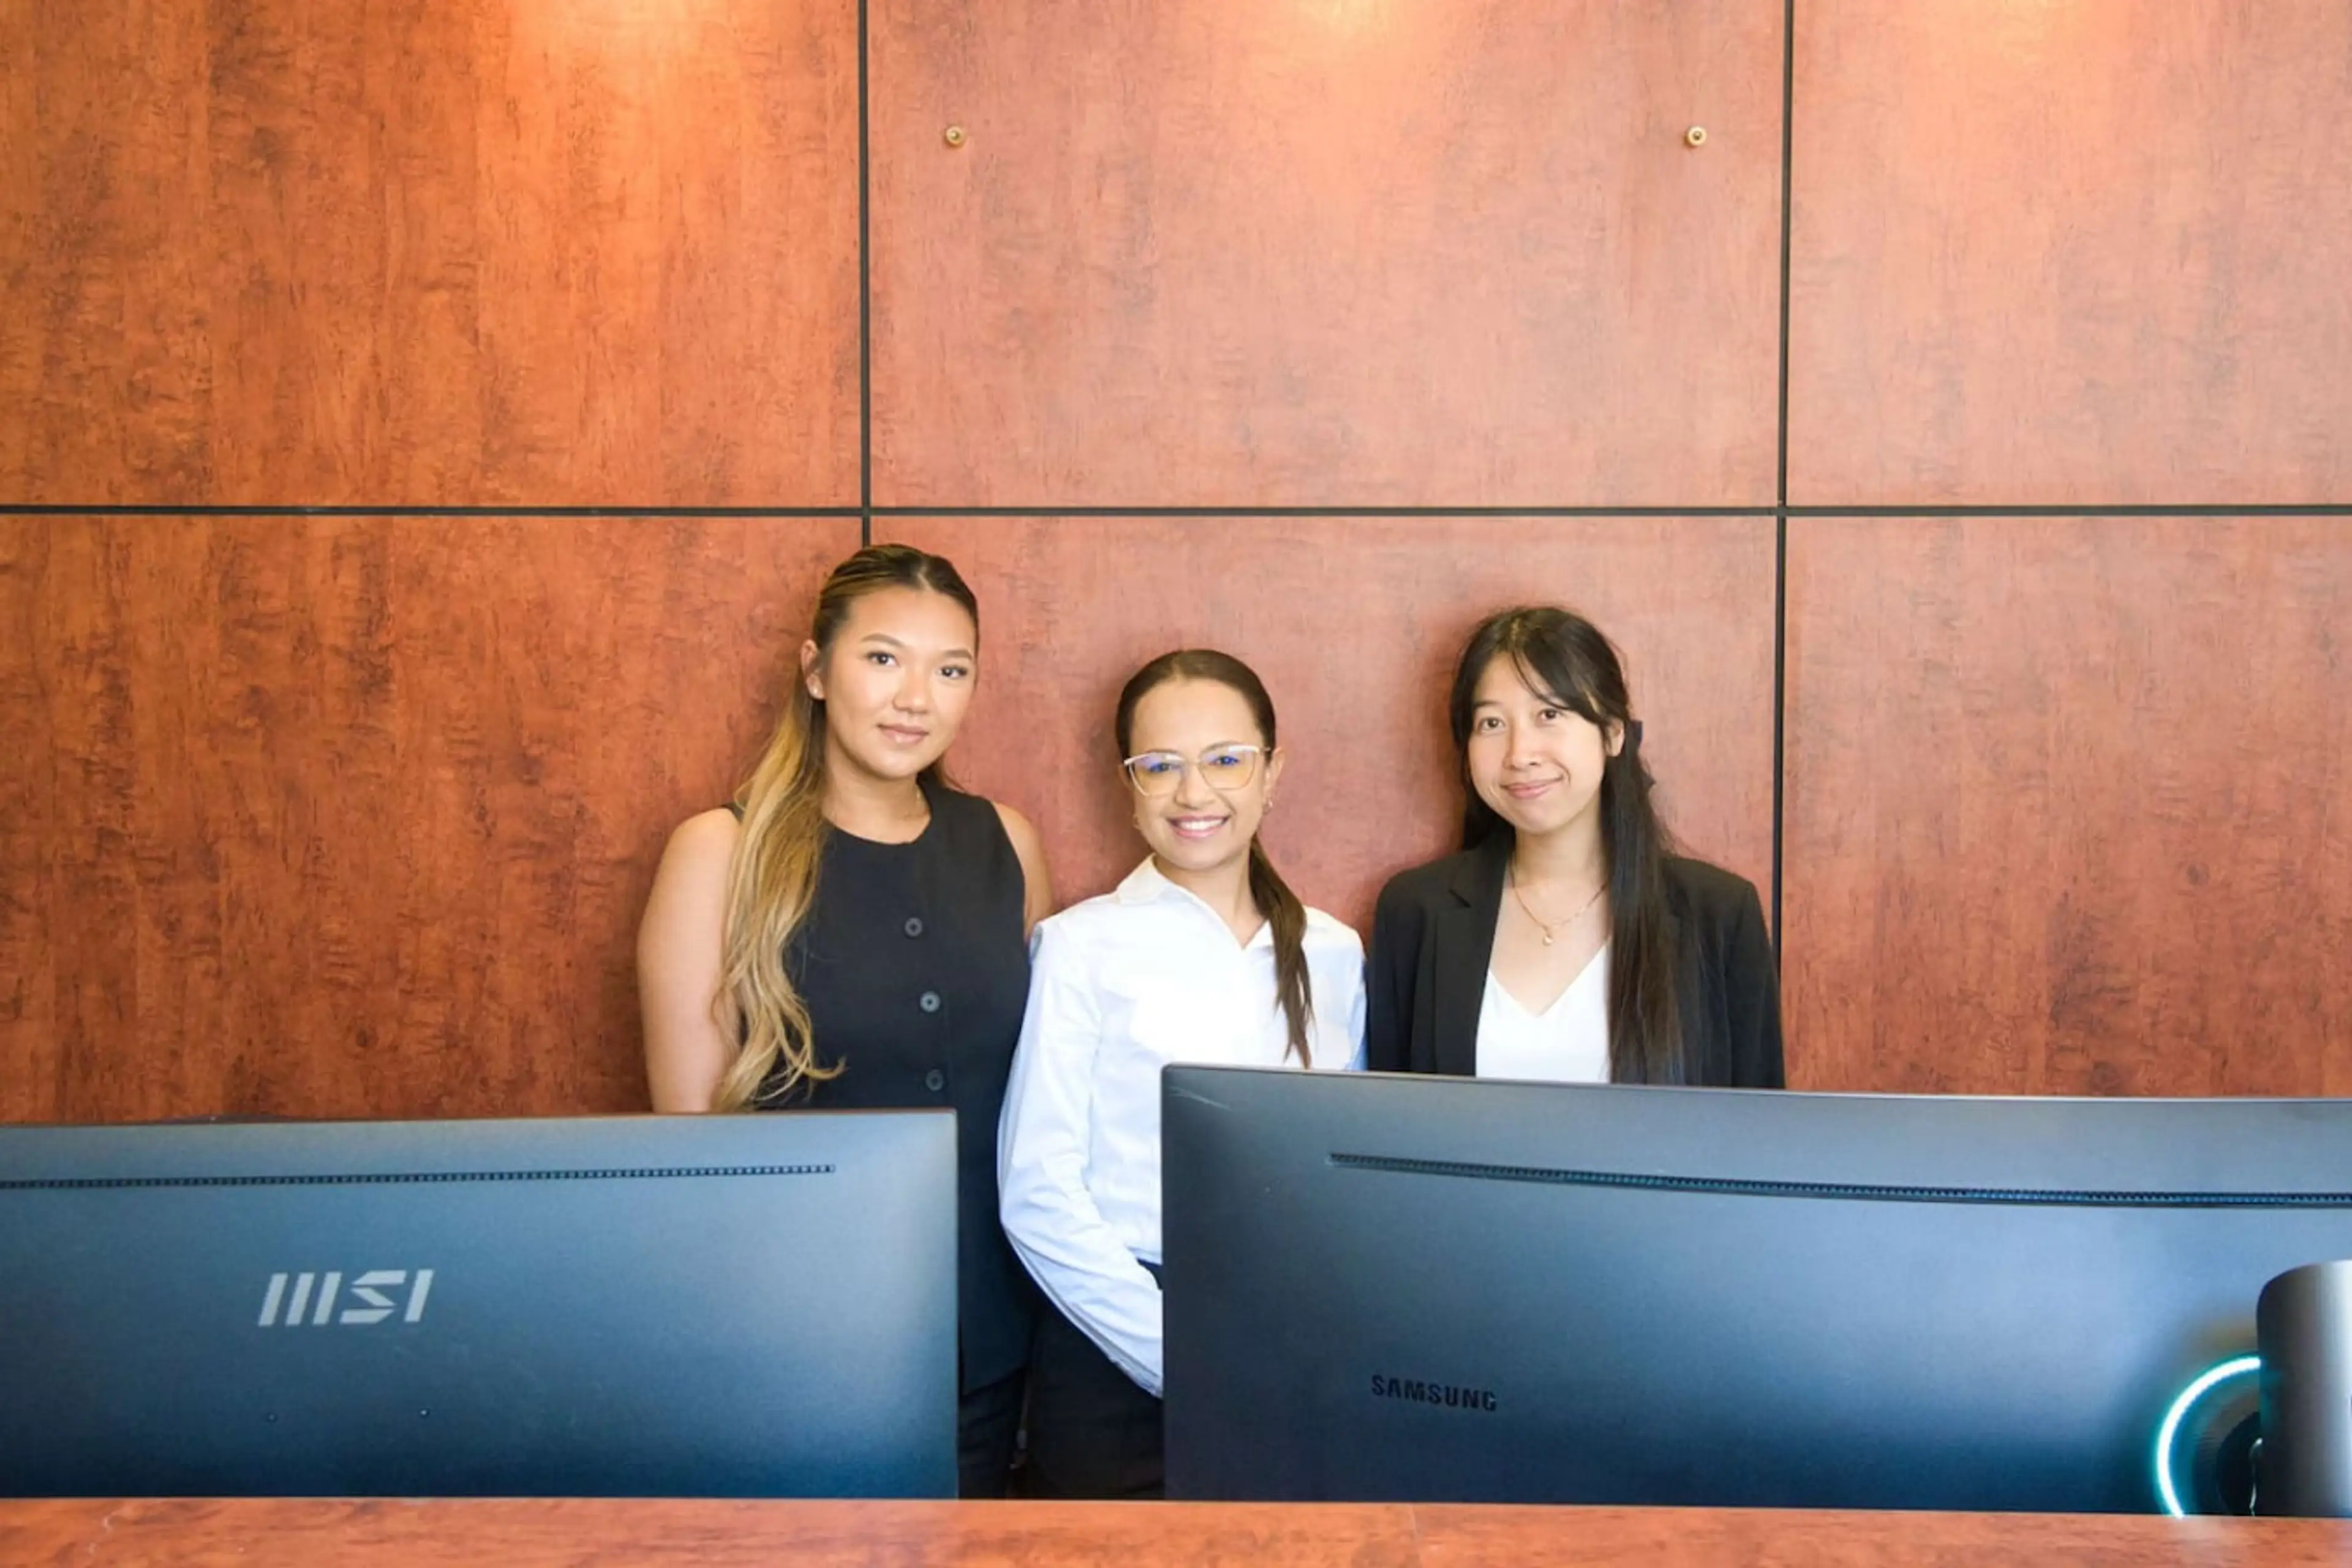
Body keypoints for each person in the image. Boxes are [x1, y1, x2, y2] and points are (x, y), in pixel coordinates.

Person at [635, 544, 1053, 1499]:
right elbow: (690, 1148)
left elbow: (1039, 1103)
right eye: (883, 658)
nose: (916, 698)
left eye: (951, 670)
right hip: (794, 1346)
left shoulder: (1007, 844)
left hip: (990, 1348)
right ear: (817, 670)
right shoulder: (720, 852)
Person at [998, 649, 1365, 1498]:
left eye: (1225, 760)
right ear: (1128, 787)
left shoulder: (1334, 952)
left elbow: (1341, 1179)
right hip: (1110, 1352)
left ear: (1273, 772)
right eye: (1160, 766)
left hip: (1291, 1346)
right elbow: (1037, 1188)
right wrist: (1179, 1354)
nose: (1194, 793)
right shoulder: (1079, 946)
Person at [1366, 606, 1782, 1087]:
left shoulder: (1718, 915)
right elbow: (1389, 1122)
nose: (1520, 754)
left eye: (1549, 715)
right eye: (1492, 724)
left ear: (1613, 732)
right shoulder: (1415, 911)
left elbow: (1757, 1126)